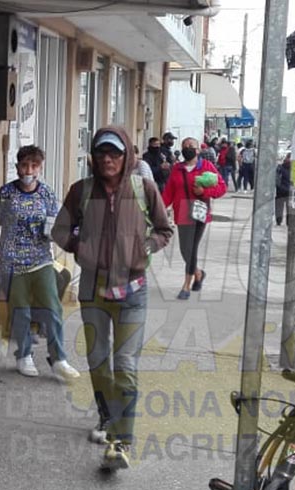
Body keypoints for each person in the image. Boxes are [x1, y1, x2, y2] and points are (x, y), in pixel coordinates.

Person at [51, 126, 173, 471]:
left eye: (115, 153)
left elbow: (165, 229)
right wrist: (81, 247)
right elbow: (59, 230)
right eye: (102, 153)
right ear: (94, 156)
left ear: (126, 156)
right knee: (99, 362)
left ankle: (122, 442)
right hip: (93, 291)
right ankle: (107, 416)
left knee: (126, 366)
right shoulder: (82, 191)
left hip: (133, 291)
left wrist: (145, 247)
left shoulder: (143, 187)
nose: (108, 159)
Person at [0, 145, 80, 380]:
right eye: (25, 165)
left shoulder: (47, 193)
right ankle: (24, 355)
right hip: (12, 262)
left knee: (52, 308)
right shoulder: (6, 193)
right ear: (17, 166)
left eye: (34, 165)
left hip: (41, 259)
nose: (29, 170)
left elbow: (56, 223)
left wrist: (60, 234)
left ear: (40, 167)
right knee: (21, 311)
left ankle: (58, 358)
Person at [162, 136, 228, 300]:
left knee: (192, 249)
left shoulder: (207, 167)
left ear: (198, 150)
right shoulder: (177, 168)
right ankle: (198, 273)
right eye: (185, 145)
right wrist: (159, 208)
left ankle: (186, 285)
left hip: (200, 210)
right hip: (182, 210)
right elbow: (169, 191)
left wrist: (204, 193)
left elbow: (221, 188)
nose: (188, 148)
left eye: (191, 145)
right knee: (185, 249)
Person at [275, 153, 292, 227]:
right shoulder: (294, 168)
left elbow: (276, 179)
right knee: (289, 207)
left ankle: (279, 221)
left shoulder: (280, 167)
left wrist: (279, 186)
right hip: (289, 190)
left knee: (279, 206)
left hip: (280, 190)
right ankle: (288, 222)